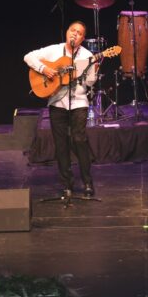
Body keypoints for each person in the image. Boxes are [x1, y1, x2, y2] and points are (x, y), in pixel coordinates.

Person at [24, 21, 97, 198]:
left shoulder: (88, 56)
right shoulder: (55, 50)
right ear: (67, 32)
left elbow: (89, 83)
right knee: (61, 143)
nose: (75, 34)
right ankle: (67, 184)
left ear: (83, 38)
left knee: (79, 139)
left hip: (78, 101)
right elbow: (28, 56)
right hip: (57, 101)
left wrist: (93, 73)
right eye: (73, 31)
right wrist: (44, 69)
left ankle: (87, 182)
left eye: (79, 33)